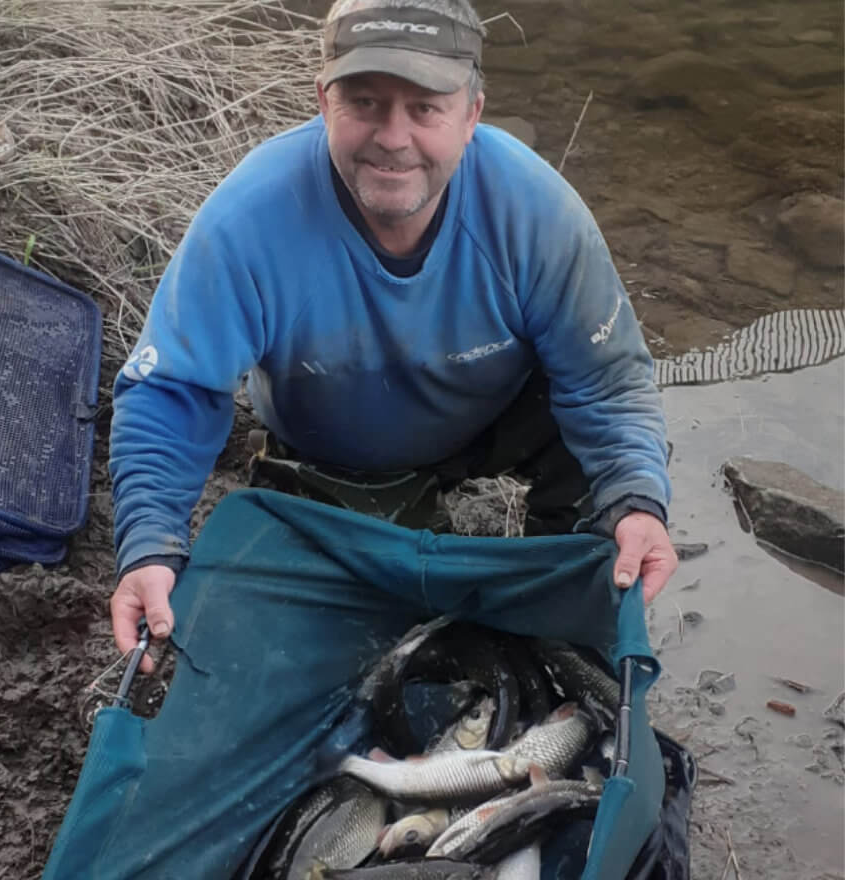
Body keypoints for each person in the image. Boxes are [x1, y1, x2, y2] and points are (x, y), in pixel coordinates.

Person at [109, 0, 678, 671]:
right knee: (336, 644)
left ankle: (555, 610)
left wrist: (638, 500)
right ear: (323, 101)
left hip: (492, 419)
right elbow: (172, 391)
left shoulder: (536, 211)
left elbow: (609, 384)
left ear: (472, 114)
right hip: (333, 449)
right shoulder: (250, 219)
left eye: (426, 108)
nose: (393, 136)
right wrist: (149, 544)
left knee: (598, 465)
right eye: (366, 102)